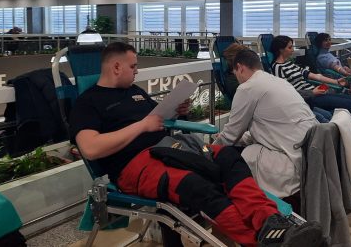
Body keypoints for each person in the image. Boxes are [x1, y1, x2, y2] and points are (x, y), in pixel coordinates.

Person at [69, 42, 324, 246]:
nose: (136, 71)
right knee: (196, 185)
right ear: (116, 67)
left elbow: (158, 118)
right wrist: (142, 126)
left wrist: (176, 110)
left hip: (171, 147)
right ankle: (263, 241)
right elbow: (90, 148)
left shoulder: (135, 91)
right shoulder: (88, 102)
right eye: (133, 66)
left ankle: (271, 221)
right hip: (135, 164)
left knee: (229, 157)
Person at [214, 49, 318, 198]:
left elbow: (231, 135)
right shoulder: (278, 82)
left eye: (235, 73)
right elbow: (270, 126)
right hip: (311, 153)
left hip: (293, 162)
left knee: (246, 155)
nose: (236, 78)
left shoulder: (247, 88)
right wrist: (241, 138)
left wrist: (210, 150)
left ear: (240, 68)